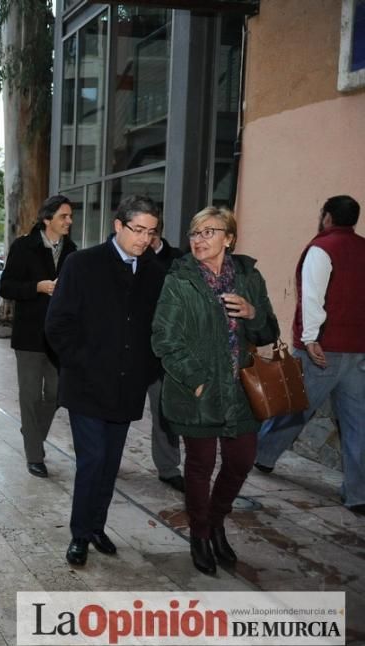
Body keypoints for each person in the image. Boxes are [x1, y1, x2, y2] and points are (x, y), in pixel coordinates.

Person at [152, 206, 279, 576]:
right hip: (198, 392)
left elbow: (269, 331)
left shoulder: (249, 277)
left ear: (230, 238)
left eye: (209, 232)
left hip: (241, 391)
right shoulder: (180, 279)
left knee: (240, 461)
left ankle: (217, 520)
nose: (199, 239)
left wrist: (253, 315)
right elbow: (164, 338)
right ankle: (200, 534)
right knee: (199, 467)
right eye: (194, 233)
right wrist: (196, 379)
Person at [45, 195, 166, 568]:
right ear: (118, 226)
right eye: (137, 230)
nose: (144, 239)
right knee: (92, 460)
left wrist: (149, 369)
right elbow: (57, 325)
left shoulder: (154, 271)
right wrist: (82, 363)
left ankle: (97, 527)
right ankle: (80, 535)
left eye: (151, 232)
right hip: (86, 385)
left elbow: (156, 328)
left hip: (127, 387)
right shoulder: (82, 264)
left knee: (111, 463)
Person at [255, 195, 364, 514]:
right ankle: (358, 493)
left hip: (324, 348)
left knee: (294, 406)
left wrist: (310, 337)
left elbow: (313, 295)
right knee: (359, 424)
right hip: (358, 350)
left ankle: (262, 457)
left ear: (327, 217)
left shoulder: (322, 248)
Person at [0, 194, 76, 478]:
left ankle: (31, 430)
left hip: (60, 340)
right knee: (30, 397)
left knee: (57, 394)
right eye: (63, 216)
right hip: (29, 337)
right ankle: (35, 454)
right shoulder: (23, 247)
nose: (69, 221)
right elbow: (6, 287)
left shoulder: (73, 252)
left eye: (70, 217)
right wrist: (38, 287)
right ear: (47, 219)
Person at [147, 220, 185, 492]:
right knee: (116, 409)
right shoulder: (124, 256)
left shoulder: (178, 260)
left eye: (147, 230)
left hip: (163, 351)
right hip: (130, 348)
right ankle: (105, 460)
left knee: (165, 411)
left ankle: (168, 468)